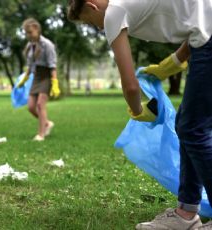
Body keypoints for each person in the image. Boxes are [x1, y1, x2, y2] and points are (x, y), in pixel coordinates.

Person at [67, 0, 212, 229]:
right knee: (188, 126)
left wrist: (137, 111)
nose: (98, 28)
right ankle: (186, 213)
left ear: (92, 6)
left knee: (193, 129)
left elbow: (131, 86)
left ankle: (186, 213)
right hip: (203, 40)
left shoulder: (114, 12)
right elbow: (199, 19)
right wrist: (173, 62)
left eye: (90, 22)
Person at [17, 18, 61, 142]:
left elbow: (53, 65)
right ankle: (47, 123)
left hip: (47, 75)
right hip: (36, 76)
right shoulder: (30, 46)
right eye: (26, 33)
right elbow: (30, 66)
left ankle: (41, 134)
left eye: (29, 32)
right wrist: (24, 79)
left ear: (37, 29)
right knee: (31, 106)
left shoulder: (47, 45)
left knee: (40, 105)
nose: (28, 35)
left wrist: (55, 83)